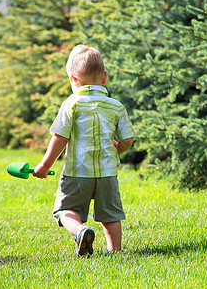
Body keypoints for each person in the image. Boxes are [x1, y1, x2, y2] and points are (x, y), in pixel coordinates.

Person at [32, 45, 134, 257]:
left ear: (74, 79)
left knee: (64, 210)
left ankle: (80, 231)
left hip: (77, 173)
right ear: (104, 77)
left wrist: (44, 166)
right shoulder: (115, 106)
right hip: (107, 174)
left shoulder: (71, 105)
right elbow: (128, 139)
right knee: (111, 214)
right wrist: (119, 148)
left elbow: (60, 138)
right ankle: (115, 251)